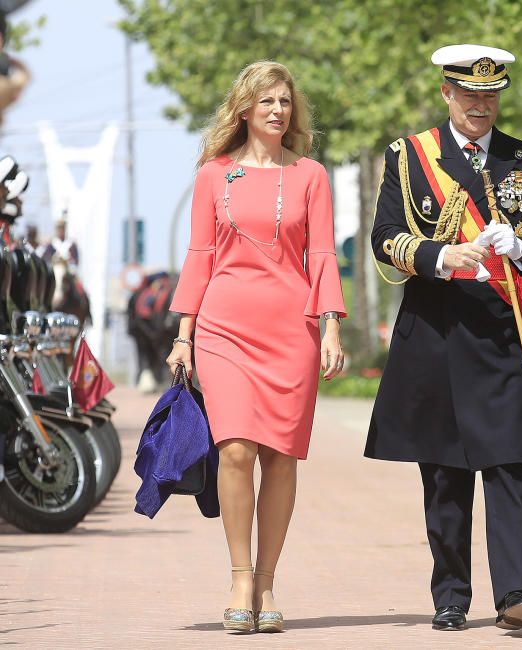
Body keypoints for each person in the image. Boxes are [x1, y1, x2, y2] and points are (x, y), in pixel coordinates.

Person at [366, 44, 522, 633]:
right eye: (470, 94)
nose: (481, 104)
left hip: (503, 337)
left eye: (491, 94)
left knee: (508, 465)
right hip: (437, 332)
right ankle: (451, 595)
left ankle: (515, 594)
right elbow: (385, 237)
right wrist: (442, 255)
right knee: (445, 472)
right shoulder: (409, 157)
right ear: (448, 93)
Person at [165, 60, 347, 633]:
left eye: (285, 102)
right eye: (266, 101)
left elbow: (321, 255)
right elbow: (200, 257)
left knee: (281, 456)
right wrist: (184, 334)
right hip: (224, 329)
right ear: (243, 109)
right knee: (236, 449)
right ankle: (241, 576)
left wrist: (331, 326)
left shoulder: (312, 175)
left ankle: (269, 581)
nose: (277, 110)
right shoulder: (212, 176)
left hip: (292, 331)